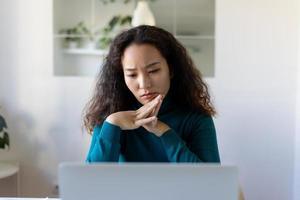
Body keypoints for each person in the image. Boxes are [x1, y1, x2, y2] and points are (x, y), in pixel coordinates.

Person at [84, 25, 220, 163]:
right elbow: (90, 181)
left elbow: (211, 180)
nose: (144, 84)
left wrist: (163, 131)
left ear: (171, 69)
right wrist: (113, 123)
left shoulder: (196, 118)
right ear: (122, 77)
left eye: (153, 71)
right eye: (132, 74)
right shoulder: (110, 114)